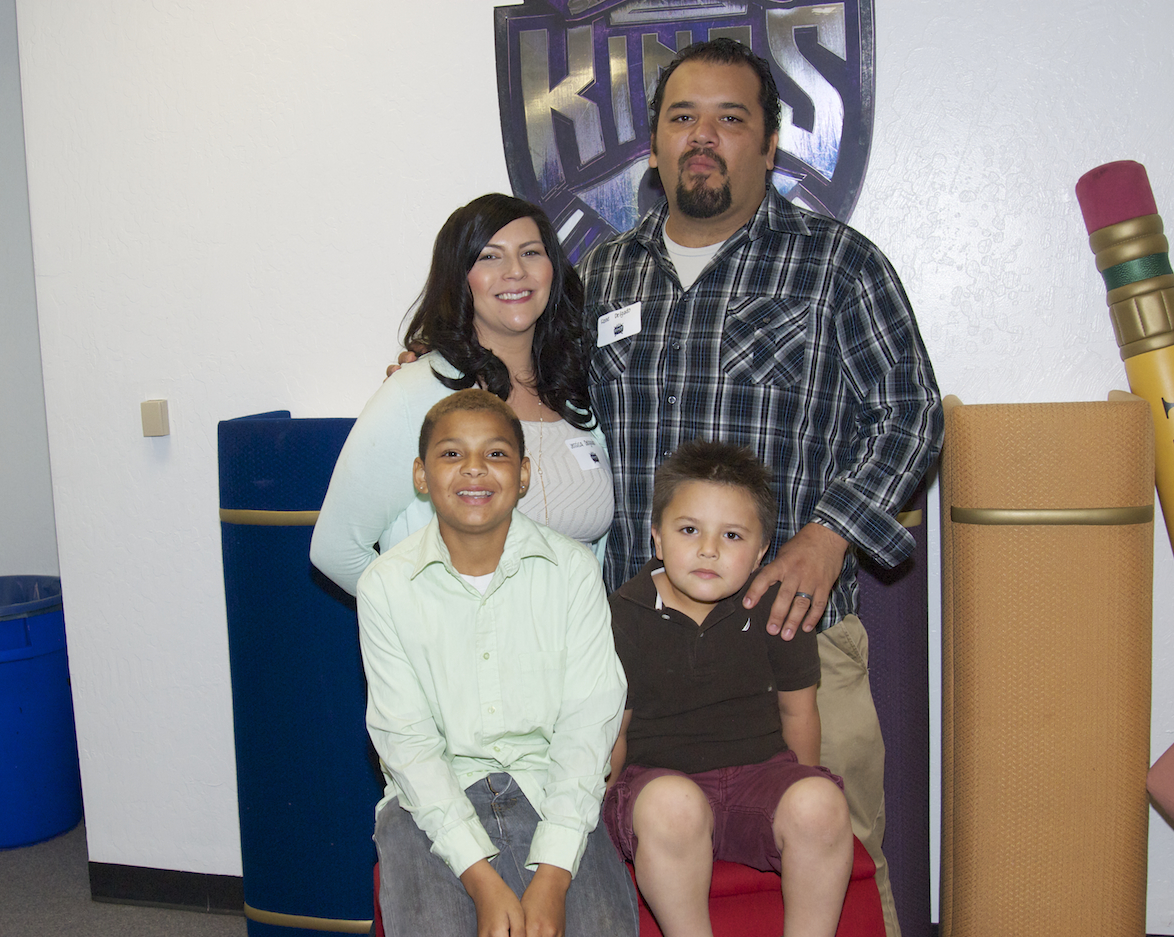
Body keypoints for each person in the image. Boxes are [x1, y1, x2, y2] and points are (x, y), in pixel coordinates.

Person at [577, 38, 942, 937]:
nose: (703, 137)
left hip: (792, 645)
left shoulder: (838, 264)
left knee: (841, 863)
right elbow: (539, 403)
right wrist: (433, 365)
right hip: (632, 657)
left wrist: (829, 532)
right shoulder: (601, 275)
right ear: (654, 145)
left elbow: (912, 413)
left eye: (730, 119)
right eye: (682, 118)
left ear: (771, 146)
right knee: (624, 883)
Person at [359, 389, 637, 937]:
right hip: (430, 802)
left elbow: (588, 725)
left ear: (524, 474)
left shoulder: (573, 570)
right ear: (421, 476)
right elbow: (408, 744)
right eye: (451, 453)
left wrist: (553, 874)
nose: (474, 468)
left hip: (551, 789)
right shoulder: (385, 586)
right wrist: (481, 880)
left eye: (496, 453)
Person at [604, 440, 852, 937]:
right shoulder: (619, 616)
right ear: (657, 538)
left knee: (820, 802)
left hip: (758, 781)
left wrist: (803, 790)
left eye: (732, 536)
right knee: (674, 804)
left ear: (761, 552)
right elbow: (614, 732)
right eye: (689, 530)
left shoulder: (780, 608)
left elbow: (799, 713)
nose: (709, 550)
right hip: (657, 789)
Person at [311, 194, 612, 596]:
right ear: (459, 277)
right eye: (490, 257)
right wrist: (425, 620)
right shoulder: (416, 393)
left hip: (576, 636)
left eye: (530, 252)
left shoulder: (577, 394)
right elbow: (336, 550)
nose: (515, 271)